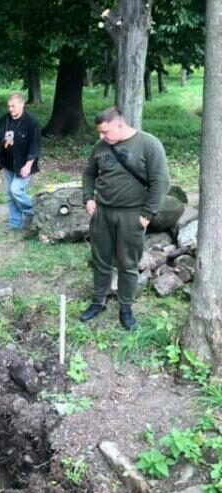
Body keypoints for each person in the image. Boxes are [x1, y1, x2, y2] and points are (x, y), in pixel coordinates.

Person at [79, 107, 170, 330]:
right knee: (101, 260)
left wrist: (147, 213)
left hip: (132, 214)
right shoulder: (100, 147)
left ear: (120, 125)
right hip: (102, 212)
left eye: (105, 132)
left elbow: (161, 182)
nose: (102, 137)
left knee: (127, 264)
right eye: (100, 133)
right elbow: (89, 173)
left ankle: (125, 308)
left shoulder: (149, 144)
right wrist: (88, 198)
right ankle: (98, 301)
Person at [0, 93, 41, 230]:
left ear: (22, 104)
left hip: (23, 164)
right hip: (7, 163)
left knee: (16, 190)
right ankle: (15, 223)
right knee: (9, 194)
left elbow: (35, 146)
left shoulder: (32, 123)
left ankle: (34, 213)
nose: (11, 109)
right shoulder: (4, 120)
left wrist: (28, 166)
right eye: (9, 106)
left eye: (13, 106)